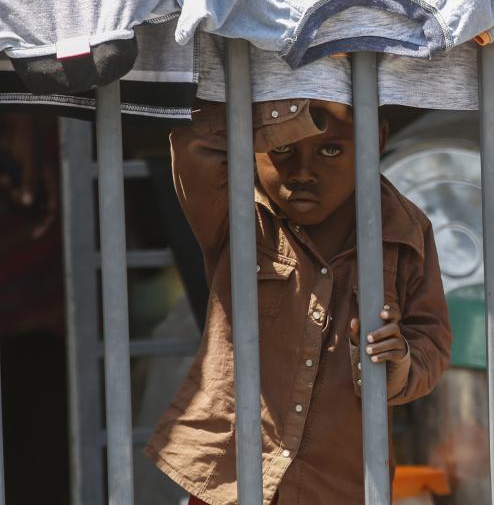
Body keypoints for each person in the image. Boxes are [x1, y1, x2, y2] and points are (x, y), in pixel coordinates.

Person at [145, 96, 451, 504]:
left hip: (337, 481)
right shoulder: (234, 212)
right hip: (232, 476)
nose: (303, 172)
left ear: (376, 140)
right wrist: (280, 104)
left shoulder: (404, 233)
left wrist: (400, 364)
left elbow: (431, 340)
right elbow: (196, 139)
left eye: (330, 150)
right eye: (281, 148)